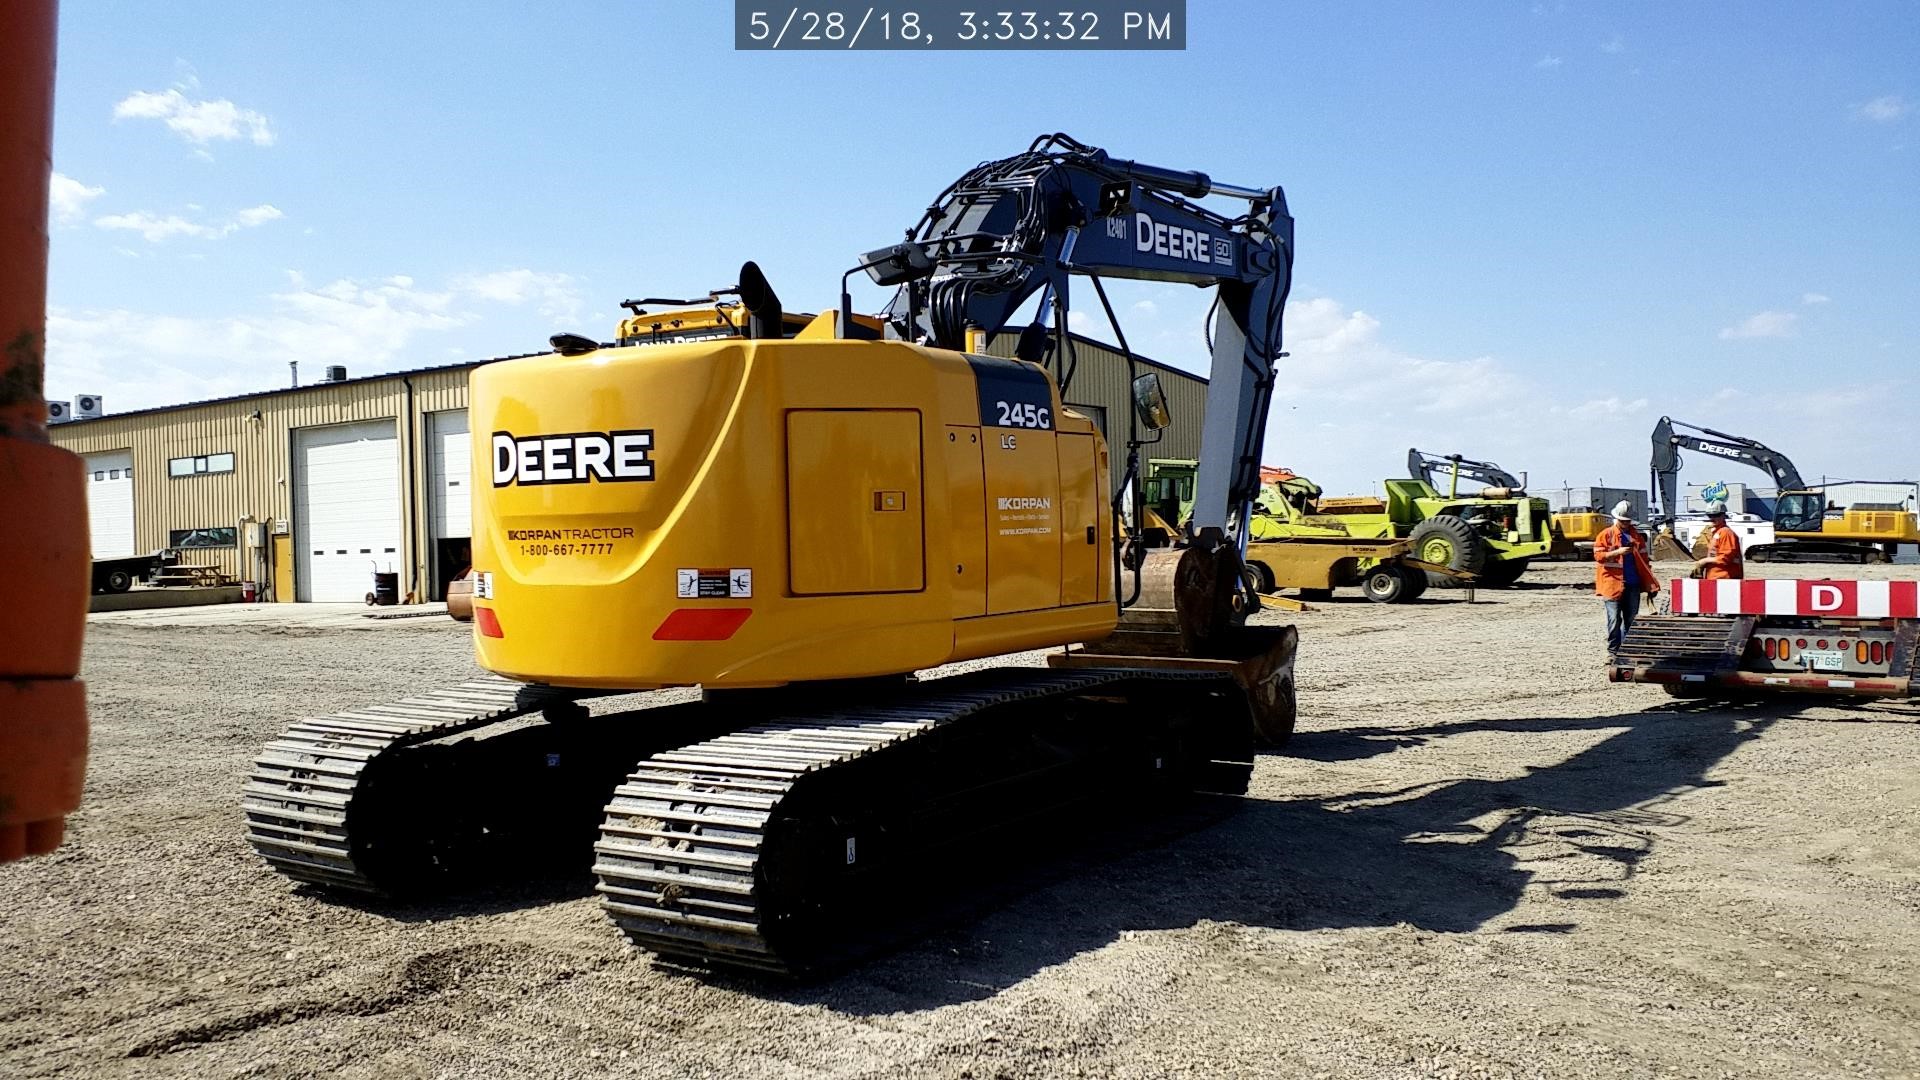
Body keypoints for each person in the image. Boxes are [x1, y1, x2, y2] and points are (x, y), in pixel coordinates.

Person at [1594, 500, 1659, 657]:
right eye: (1623, 521)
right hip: (1612, 585)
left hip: (1633, 584)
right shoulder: (1606, 535)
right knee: (1614, 621)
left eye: (1627, 521)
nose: (1625, 523)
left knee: (1631, 619)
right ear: (1617, 518)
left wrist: (1650, 585)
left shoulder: (1636, 536)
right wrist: (1617, 553)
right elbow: (1598, 556)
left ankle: (1628, 650)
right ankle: (1613, 652)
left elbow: (1644, 562)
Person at [1694, 500, 1744, 580]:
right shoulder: (1717, 533)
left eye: (1716, 515)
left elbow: (1726, 557)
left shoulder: (1726, 532)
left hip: (1724, 578)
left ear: (1723, 515)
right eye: (1710, 515)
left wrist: (1704, 561)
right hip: (1716, 578)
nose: (1712, 518)